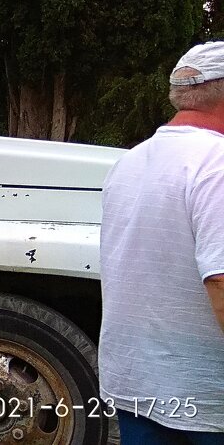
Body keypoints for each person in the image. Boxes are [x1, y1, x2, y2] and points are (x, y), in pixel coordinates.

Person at [99, 41, 224, 444]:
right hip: (206, 397)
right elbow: (221, 279)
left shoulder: (130, 161)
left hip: (135, 381)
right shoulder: (217, 162)